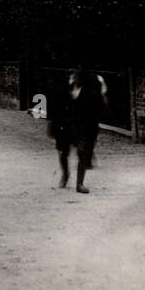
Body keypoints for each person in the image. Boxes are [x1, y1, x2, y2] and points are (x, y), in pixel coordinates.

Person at [50, 64, 108, 194]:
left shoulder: (93, 83)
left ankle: (79, 184)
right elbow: (55, 102)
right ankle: (66, 174)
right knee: (63, 152)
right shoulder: (63, 82)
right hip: (65, 124)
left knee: (82, 152)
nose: (75, 74)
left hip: (83, 124)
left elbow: (99, 104)